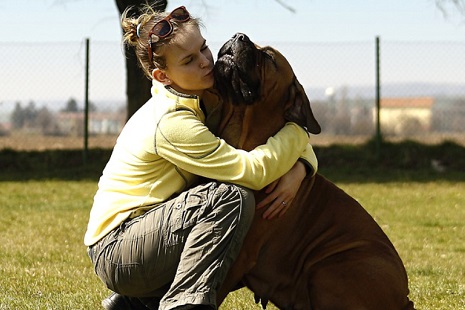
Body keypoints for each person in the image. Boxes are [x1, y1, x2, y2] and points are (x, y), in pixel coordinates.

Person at [84, 5, 317, 310]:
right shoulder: (170, 123)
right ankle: (183, 304)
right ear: (162, 75)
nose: (206, 62)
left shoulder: (200, 94)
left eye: (204, 48)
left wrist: (302, 165)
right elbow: (252, 171)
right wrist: (298, 133)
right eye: (189, 60)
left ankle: (135, 304)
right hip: (118, 248)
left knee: (224, 201)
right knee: (229, 199)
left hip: (147, 234)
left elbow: (263, 130)